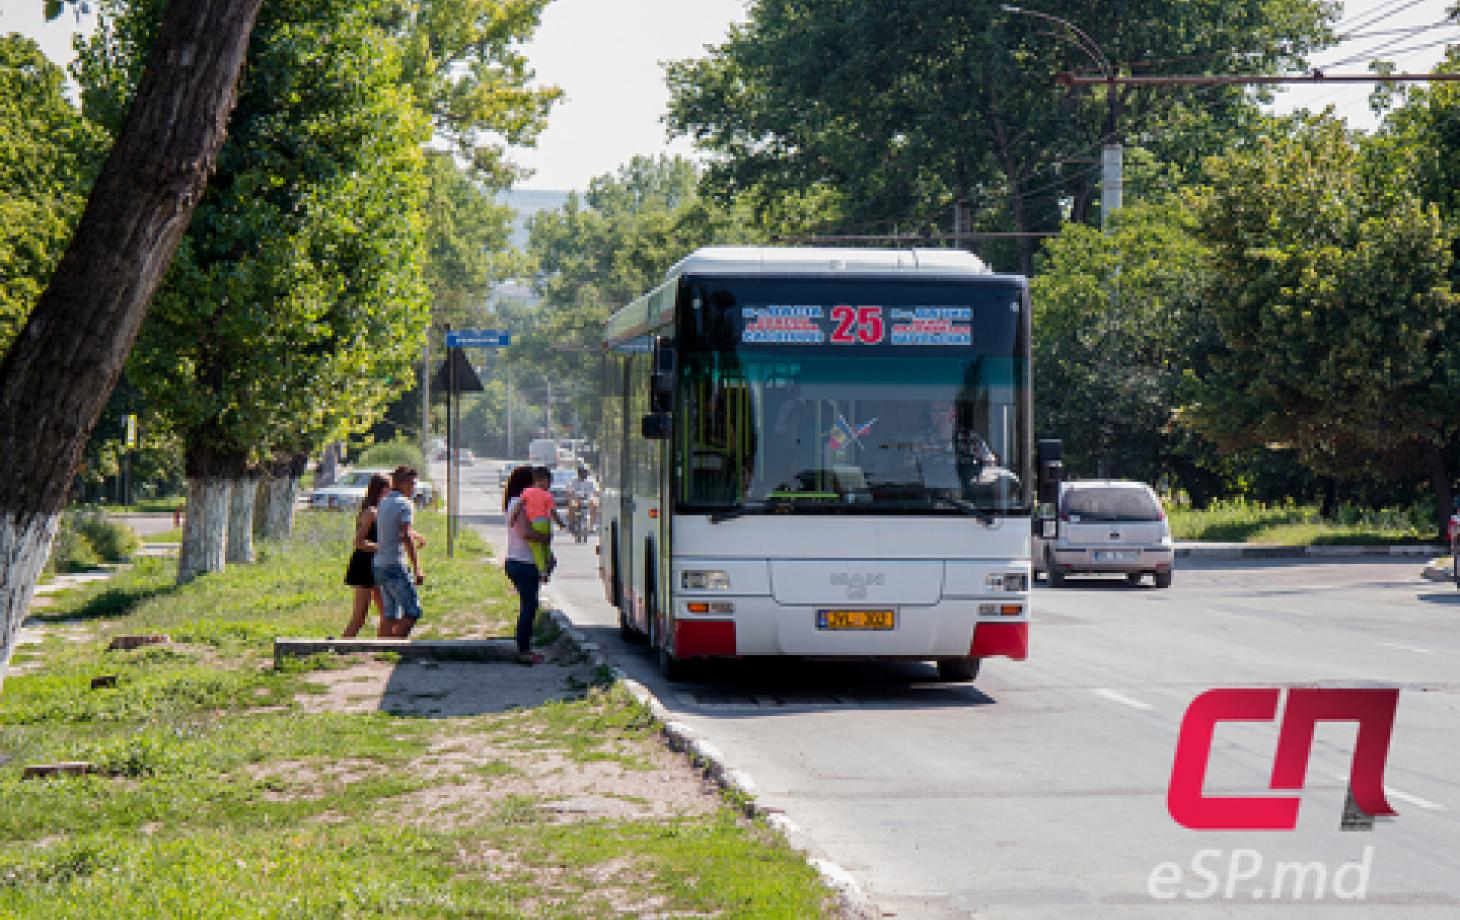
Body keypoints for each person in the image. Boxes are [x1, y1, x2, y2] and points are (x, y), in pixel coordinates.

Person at [373, 465, 426, 639]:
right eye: (412, 484)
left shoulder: (384, 501)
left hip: (379, 564)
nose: (413, 488)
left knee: (390, 615)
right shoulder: (405, 504)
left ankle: (383, 650)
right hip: (394, 564)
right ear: (402, 483)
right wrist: (417, 567)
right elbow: (406, 535)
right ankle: (397, 647)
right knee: (412, 611)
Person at [503, 465, 549, 664]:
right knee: (529, 607)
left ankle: (524, 647)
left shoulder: (514, 502)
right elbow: (525, 533)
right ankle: (523, 650)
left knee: (529, 605)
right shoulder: (520, 504)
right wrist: (545, 538)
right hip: (524, 563)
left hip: (517, 560)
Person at [340, 473, 390, 638]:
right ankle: (340, 648)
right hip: (364, 565)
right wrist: (381, 548)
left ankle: (383, 649)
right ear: (382, 489)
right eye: (390, 488)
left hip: (378, 564)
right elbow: (358, 542)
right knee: (359, 618)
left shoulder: (383, 511)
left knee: (387, 613)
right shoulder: (371, 512)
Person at [568, 465, 597, 537]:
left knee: (594, 504)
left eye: (584, 472)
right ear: (578, 473)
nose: (583, 474)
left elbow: (596, 490)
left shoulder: (591, 481)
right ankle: (571, 524)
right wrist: (571, 493)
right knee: (571, 505)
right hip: (577, 500)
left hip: (588, 500)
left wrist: (595, 494)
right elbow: (570, 490)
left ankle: (591, 525)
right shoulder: (573, 480)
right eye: (581, 472)